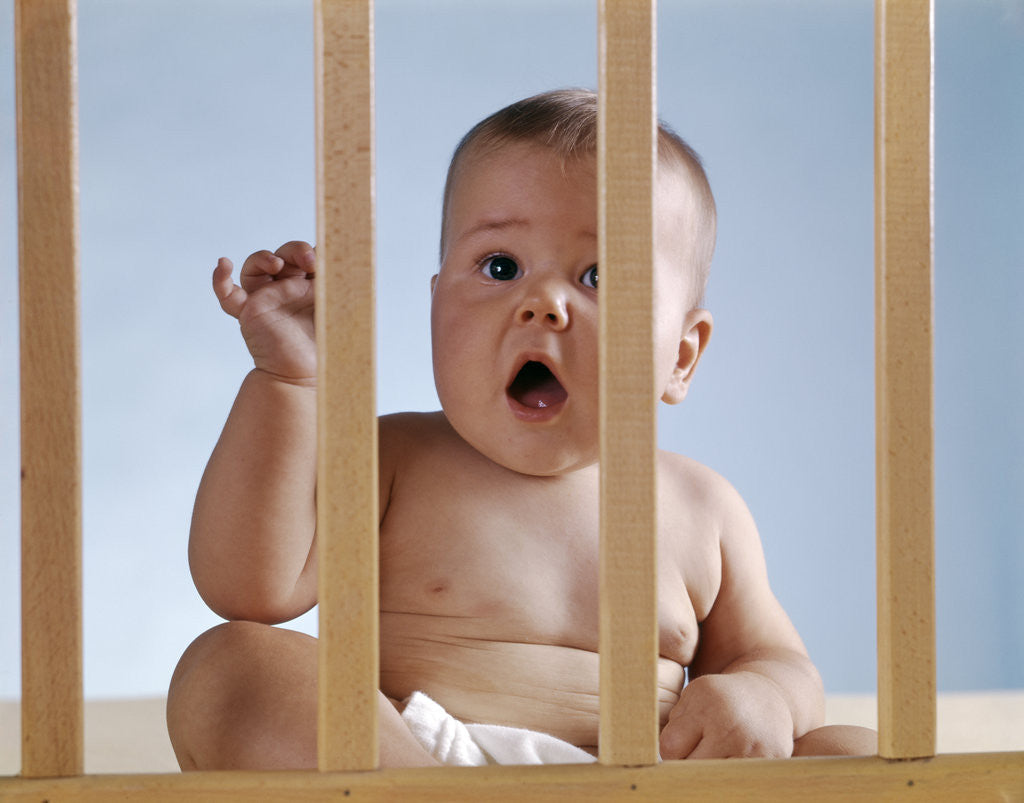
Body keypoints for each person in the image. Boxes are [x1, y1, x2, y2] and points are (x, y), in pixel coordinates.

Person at [166, 89, 876, 770]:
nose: (544, 303)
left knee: (857, 754)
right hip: (418, 760)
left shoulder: (702, 509)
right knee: (230, 665)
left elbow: (781, 662)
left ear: (681, 357)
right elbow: (250, 588)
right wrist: (292, 382)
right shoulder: (391, 460)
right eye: (500, 267)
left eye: (599, 276)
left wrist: (762, 695)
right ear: (437, 302)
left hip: (644, 775)